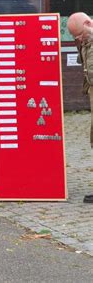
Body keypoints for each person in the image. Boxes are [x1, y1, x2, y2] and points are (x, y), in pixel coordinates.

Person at [67, 12, 93, 204]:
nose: (78, 38)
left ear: (88, 23)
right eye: (74, 36)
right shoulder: (86, 42)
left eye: (78, 34)